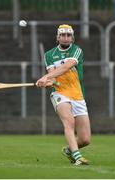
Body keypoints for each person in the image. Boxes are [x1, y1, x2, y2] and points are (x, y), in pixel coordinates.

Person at [36, 24, 91, 165]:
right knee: (69, 122)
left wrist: (45, 77)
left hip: (77, 94)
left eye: (68, 35)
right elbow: (53, 78)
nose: (65, 38)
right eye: (62, 35)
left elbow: (67, 66)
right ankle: (78, 157)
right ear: (57, 37)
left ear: (72, 37)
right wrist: (48, 82)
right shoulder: (49, 55)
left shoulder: (77, 50)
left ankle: (69, 150)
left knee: (85, 139)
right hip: (60, 93)